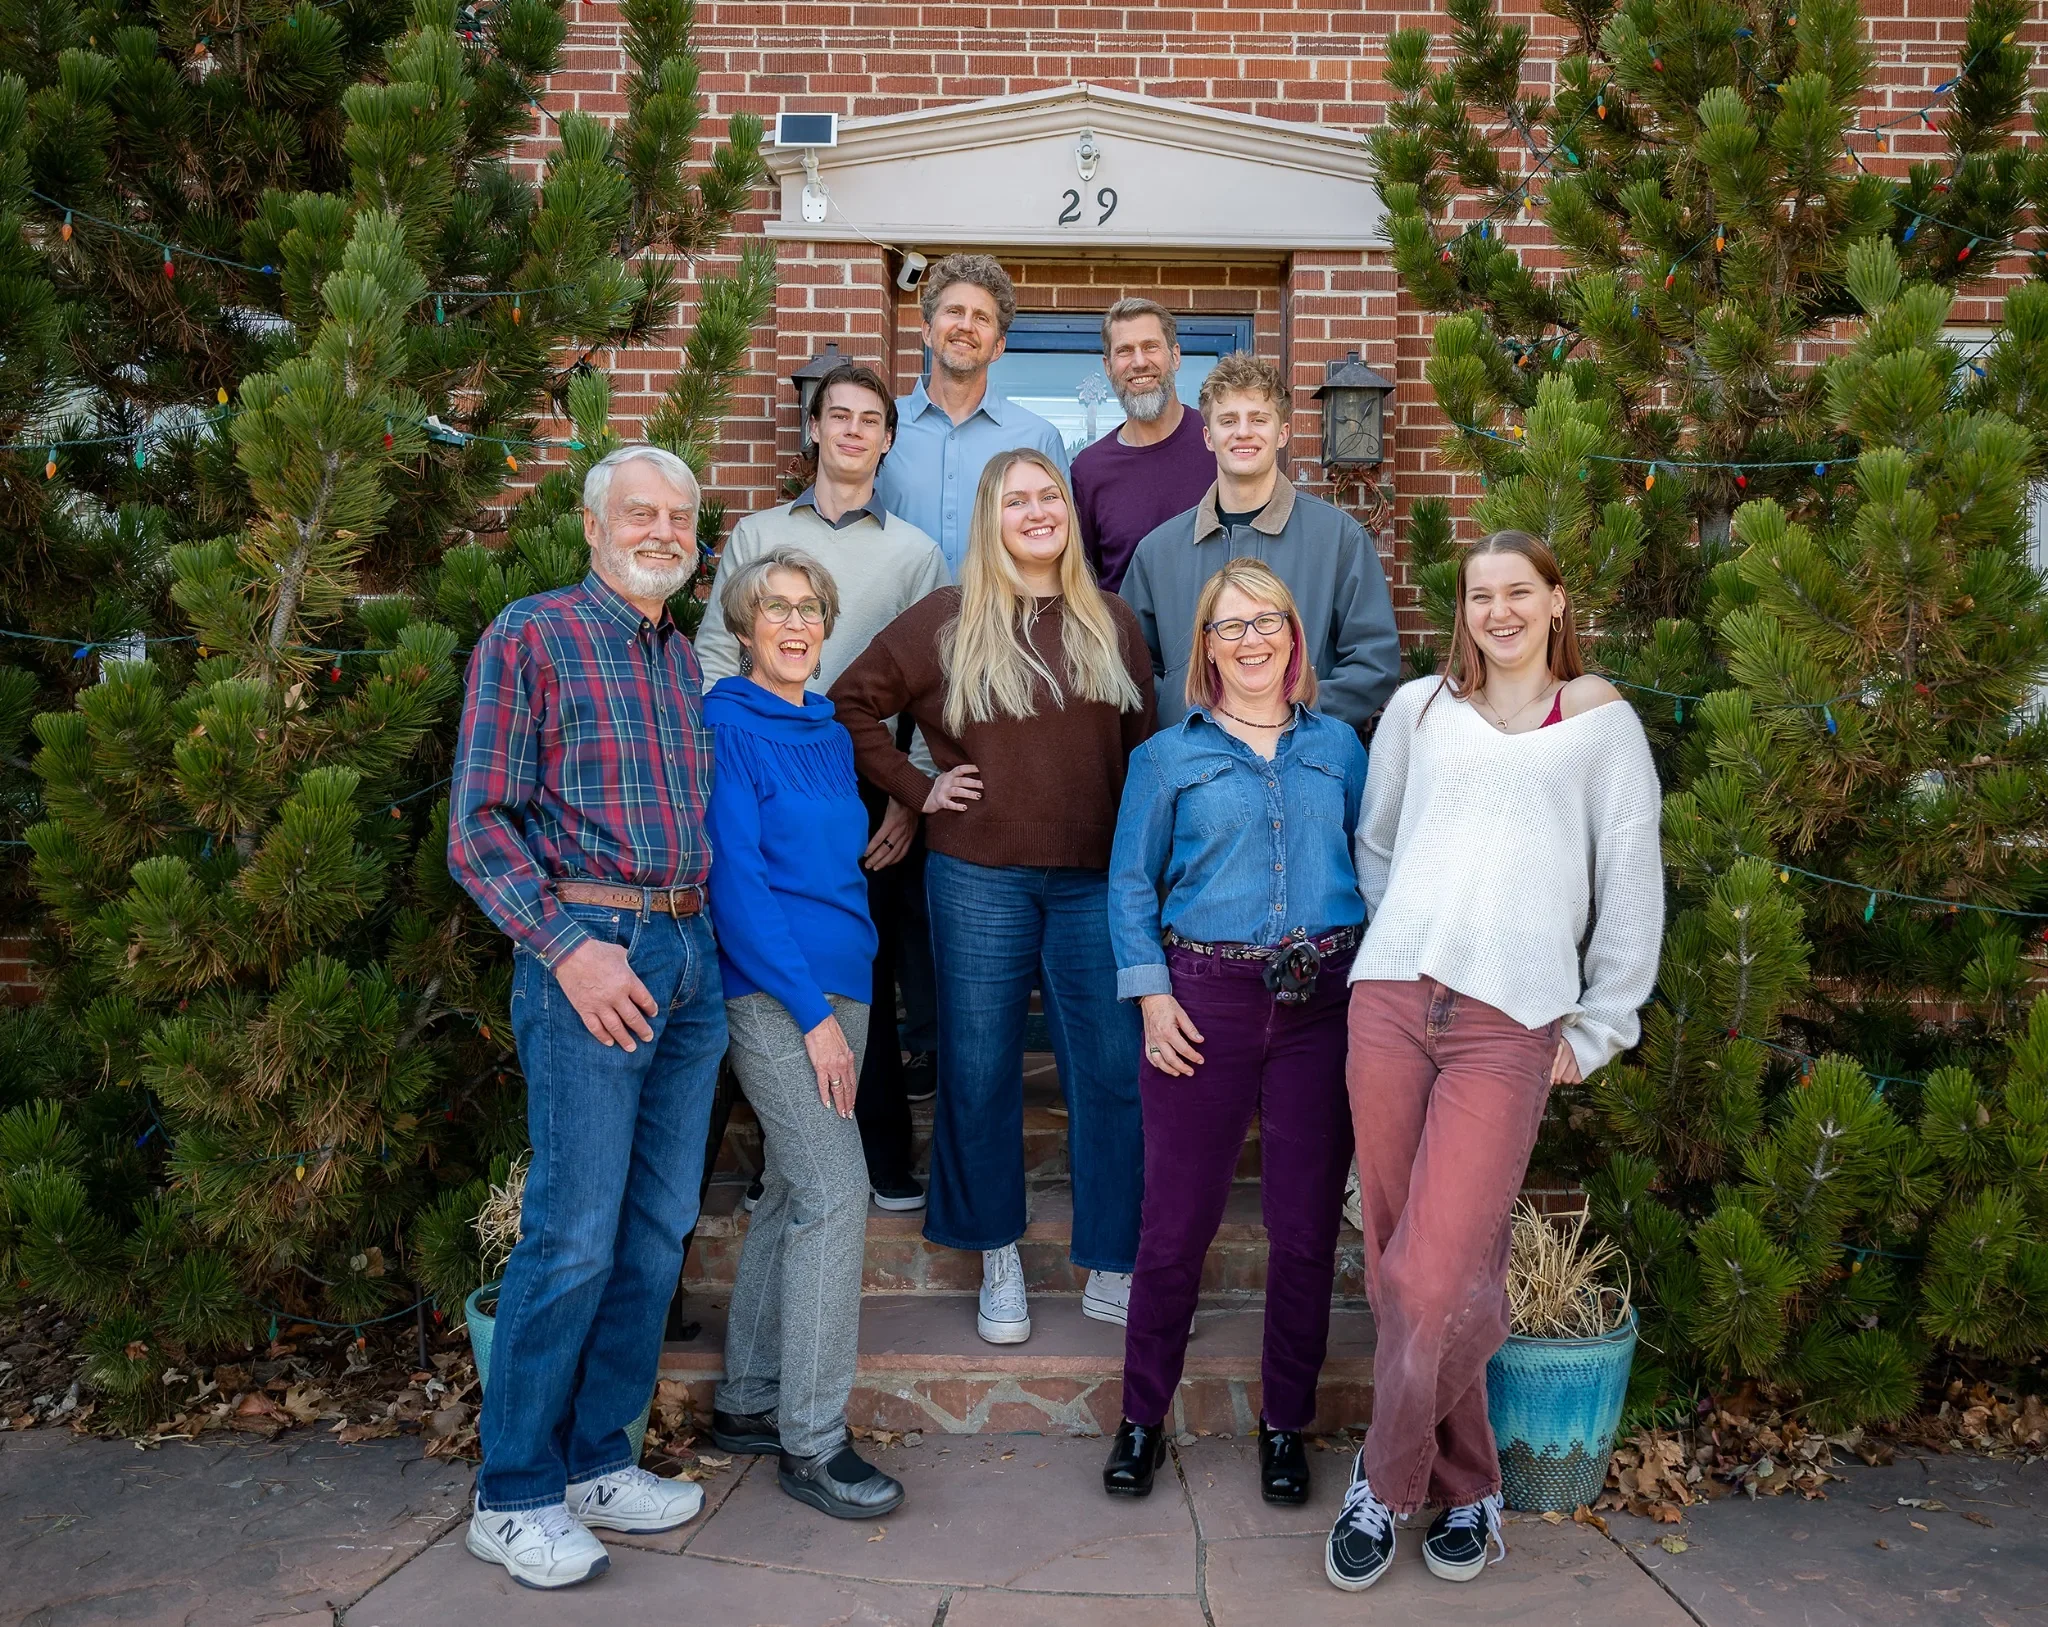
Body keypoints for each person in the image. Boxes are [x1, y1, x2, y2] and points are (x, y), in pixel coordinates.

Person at [1323, 530, 1664, 1593]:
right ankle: (1468, 1487)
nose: (1498, 611)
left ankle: (1383, 1482)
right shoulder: (1420, 712)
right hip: (1390, 1001)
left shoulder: (1602, 725)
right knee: (1406, 1265)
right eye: (1480, 595)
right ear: (1461, 610)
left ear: (1557, 601)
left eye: (1519, 591)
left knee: (1431, 1269)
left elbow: (1630, 888)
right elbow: (1375, 843)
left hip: (1507, 1021)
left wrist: (1598, 1026)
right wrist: (1408, 938)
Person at [450, 444, 727, 1591]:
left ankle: (595, 1460)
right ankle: (512, 1491)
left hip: (687, 952)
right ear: (591, 523)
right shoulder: (533, 633)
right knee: (572, 1231)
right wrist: (567, 951)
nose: (662, 530)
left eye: (679, 517)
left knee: (657, 1229)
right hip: (592, 956)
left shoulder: (674, 659)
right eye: (640, 512)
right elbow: (476, 826)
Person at [831, 448, 1156, 1346]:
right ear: (991, 517)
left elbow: (1144, 756)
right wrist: (918, 784)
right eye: (1017, 499)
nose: (1037, 509)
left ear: (1067, 514)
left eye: (1048, 494)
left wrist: (1146, 871)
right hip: (976, 873)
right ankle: (996, 1254)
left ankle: (1114, 1257)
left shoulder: (1113, 621)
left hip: (1095, 880)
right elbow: (849, 702)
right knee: (977, 1068)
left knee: (1110, 1070)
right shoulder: (946, 618)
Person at [1103, 558, 1364, 1502]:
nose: (1252, 640)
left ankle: (1284, 1423)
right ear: (1206, 649)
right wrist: (1153, 995)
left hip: (1321, 1007)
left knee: (1301, 1233)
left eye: (1269, 623)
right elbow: (1130, 884)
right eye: (1231, 626)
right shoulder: (1167, 757)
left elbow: (1372, 871)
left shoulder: (1340, 749)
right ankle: (1141, 1416)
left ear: (1295, 641)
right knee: (1175, 1226)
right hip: (1202, 1002)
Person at [697, 360, 948, 1212]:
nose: (849, 431)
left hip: (860, 788)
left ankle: (877, 1155)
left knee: (857, 967)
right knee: (757, 952)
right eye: (834, 415)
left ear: (886, 438)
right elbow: (710, 658)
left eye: (867, 419)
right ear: (813, 428)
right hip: (760, 776)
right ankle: (777, 1162)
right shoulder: (756, 534)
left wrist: (906, 797)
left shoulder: (916, 552)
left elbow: (928, 691)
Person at [700, 547, 907, 1521]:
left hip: (845, 982)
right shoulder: (723, 726)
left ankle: (744, 1397)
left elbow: (839, 863)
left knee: (789, 1188)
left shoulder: (825, 731)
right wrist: (815, 1017)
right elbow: (736, 886)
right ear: (745, 626)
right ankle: (813, 1441)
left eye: (809, 609)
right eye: (774, 608)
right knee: (836, 1189)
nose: (793, 623)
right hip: (775, 992)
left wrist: (845, 995)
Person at [1119, 351, 1402, 732]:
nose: (1243, 433)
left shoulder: (1337, 538)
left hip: (1303, 762)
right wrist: (1182, 721)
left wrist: (1293, 718)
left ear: (1282, 433)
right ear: (1208, 436)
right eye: (1228, 420)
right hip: (1191, 768)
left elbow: (1373, 660)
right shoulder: (1158, 552)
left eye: (1258, 419)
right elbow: (1133, 666)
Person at [873, 253, 1070, 577]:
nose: (966, 325)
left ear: (998, 347)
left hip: (1004, 625)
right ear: (926, 330)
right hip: (899, 621)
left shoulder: (1037, 438)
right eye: (954, 311)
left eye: (981, 317)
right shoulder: (881, 427)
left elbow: (1060, 556)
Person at [1070, 298, 1215, 593]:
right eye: (1124, 351)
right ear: (1108, 367)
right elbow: (1082, 585)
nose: (1138, 362)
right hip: (1122, 638)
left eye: (1150, 346)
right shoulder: (1089, 471)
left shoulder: (1218, 444)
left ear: (1175, 356)